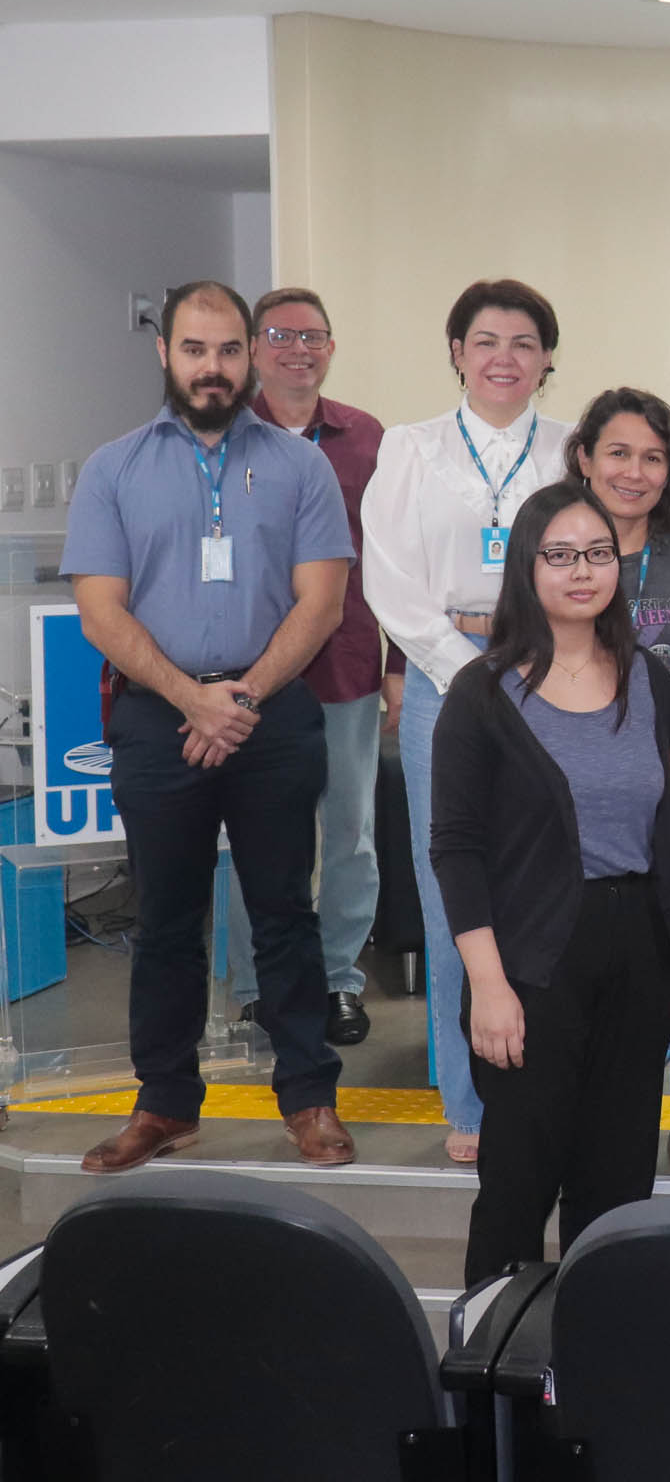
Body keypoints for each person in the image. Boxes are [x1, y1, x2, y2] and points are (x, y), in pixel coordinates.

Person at [65, 280, 356, 1171]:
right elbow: (100, 613)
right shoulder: (113, 469)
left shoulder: (302, 466)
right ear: (165, 354)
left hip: (273, 716)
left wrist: (242, 699)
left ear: (251, 356)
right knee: (164, 919)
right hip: (159, 721)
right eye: (195, 350)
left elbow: (323, 602)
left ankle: (309, 1099)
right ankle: (165, 1105)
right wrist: (195, 701)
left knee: (283, 913)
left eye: (230, 350)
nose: (213, 368)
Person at [431, 482, 670, 1284]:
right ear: (527, 567)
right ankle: (493, 1387)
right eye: (559, 555)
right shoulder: (481, 694)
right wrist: (487, 985)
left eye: (597, 554)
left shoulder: (648, 682)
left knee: (616, 1184)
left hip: (638, 950)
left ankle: (594, 1371)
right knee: (520, 1183)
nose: (582, 571)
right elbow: (455, 850)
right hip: (530, 961)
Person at [362, 278, 571, 1164]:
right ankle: (471, 1101)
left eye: (523, 343)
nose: (503, 359)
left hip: (558, 679)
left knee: (559, 884)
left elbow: (594, 558)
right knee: (459, 888)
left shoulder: (573, 449)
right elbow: (389, 581)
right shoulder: (409, 449)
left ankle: (557, 1076)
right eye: (485, 341)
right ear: (456, 352)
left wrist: (534, 660)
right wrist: (466, 670)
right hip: (450, 686)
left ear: (547, 360)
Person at [565, 387, 670, 1191]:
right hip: (572, 822)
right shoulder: (552, 546)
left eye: (655, 457)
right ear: (585, 459)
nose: (635, 472)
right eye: (620, 453)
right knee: (593, 1013)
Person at [223, 286, 397, 1047]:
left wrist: (393, 661)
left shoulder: (367, 438)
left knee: (351, 835)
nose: (299, 349)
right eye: (281, 335)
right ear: (257, 349)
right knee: (252, 834)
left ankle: (336, 981)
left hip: (347, 667)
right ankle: (259, 986)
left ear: (331, 347)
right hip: (247, 673)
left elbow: (392, 561)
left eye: (313, 336)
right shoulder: (222, 436)